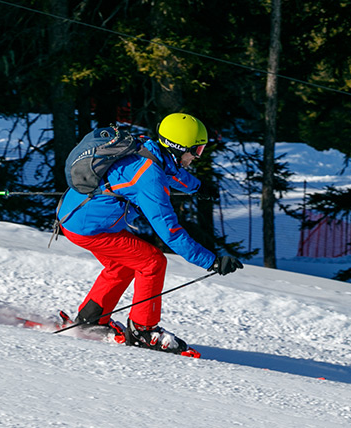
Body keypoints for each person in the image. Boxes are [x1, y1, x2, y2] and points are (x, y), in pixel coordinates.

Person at [57, 112, 242, 354]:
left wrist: (197, 187)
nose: (197, 156)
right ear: (178, 148)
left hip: (77, 216)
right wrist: (211, 261)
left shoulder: (148, 148)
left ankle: (91, 319)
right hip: (88, 228)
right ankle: (143, 330)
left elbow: (171, 172)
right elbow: (170, 231)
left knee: (122, 265)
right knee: (152, 262)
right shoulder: (150, 179)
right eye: (195, 150)